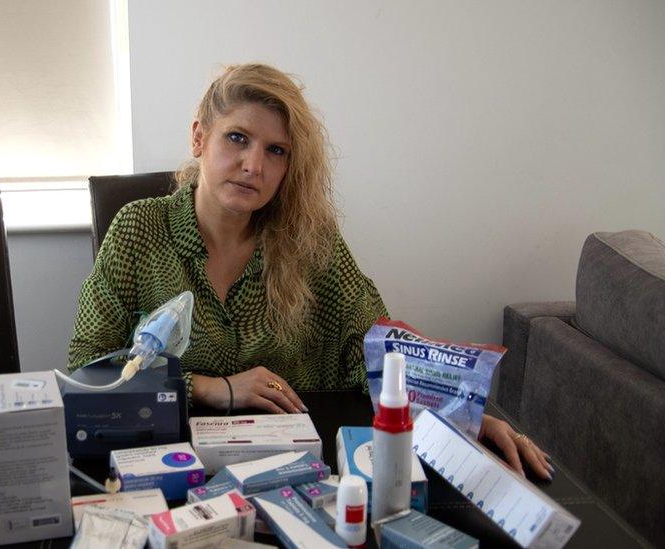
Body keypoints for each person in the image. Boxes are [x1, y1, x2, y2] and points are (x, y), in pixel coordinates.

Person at [68, 63, 552, 480]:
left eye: (275, 150)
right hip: (165, 464)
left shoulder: (308, 238)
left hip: (295, 464)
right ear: (199, 136)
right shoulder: (140, 229)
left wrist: (463, 414)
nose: (253, 165)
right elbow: (87, 366)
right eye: (237, 138)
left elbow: (379, 344)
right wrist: (211, 388)